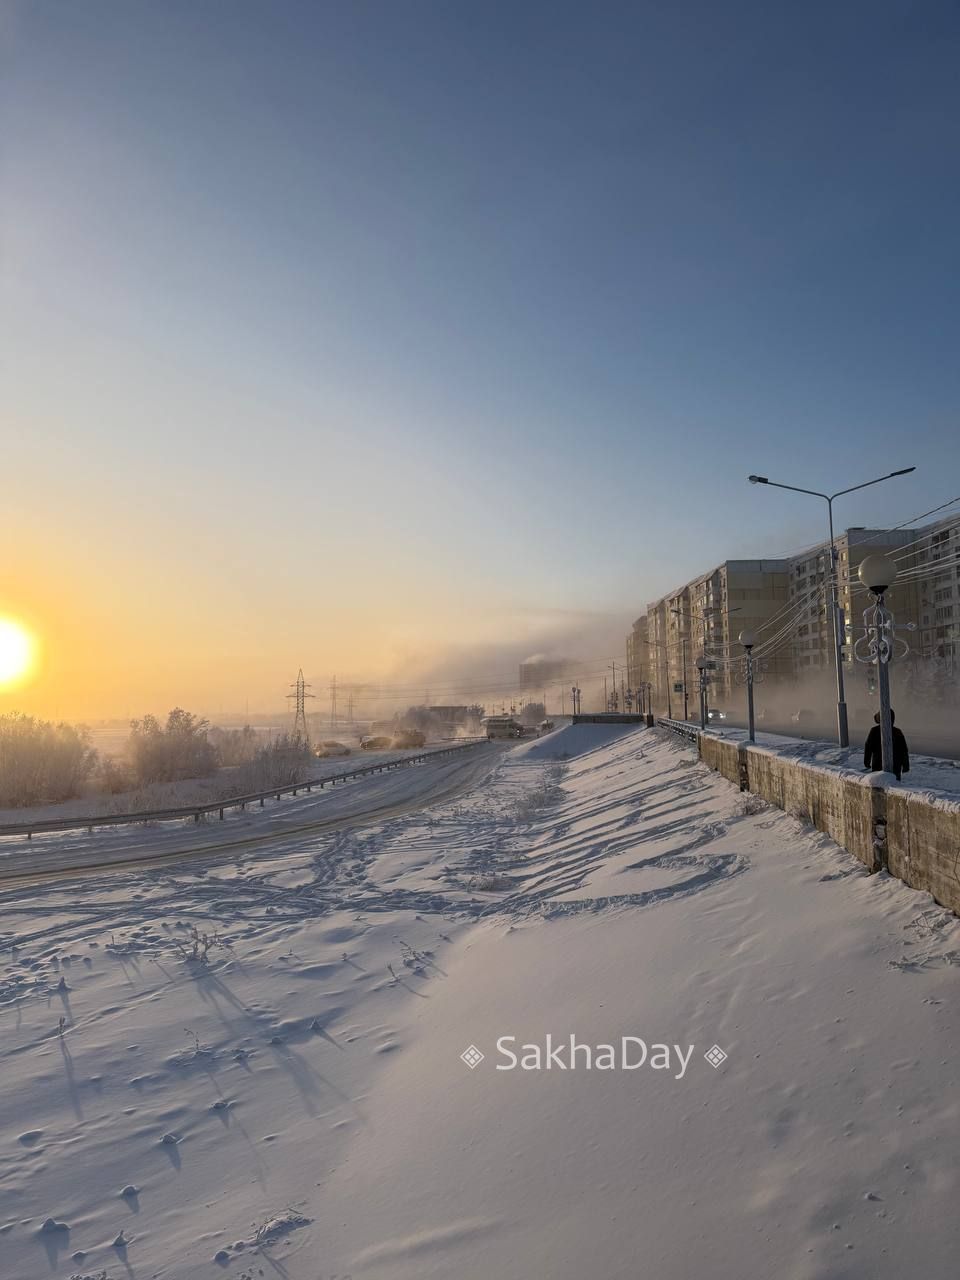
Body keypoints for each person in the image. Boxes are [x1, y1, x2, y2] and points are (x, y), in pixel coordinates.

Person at [863, 710, 910, 781]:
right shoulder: (898, 732)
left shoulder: (874, 731)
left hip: (878, 765)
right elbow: (903, 750)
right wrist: (905, 765)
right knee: (894, 784)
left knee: (878, 784)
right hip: (895, 767)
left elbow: (868, 747)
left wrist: (867, 761)